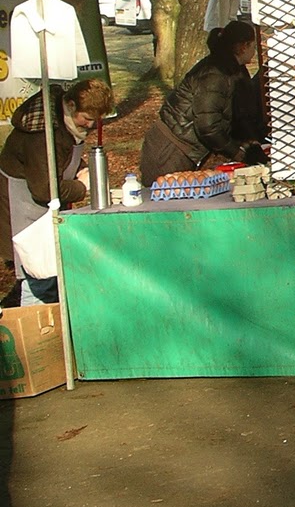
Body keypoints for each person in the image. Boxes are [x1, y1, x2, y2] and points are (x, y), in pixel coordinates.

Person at [2, 78, 115, 305]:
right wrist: (81, 187)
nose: (91, 126)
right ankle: (36, 332)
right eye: (88, 119)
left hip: (39, 203)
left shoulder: (62, 122)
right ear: (71, 105)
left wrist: (81, 167)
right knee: (38, 276)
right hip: (23, 204)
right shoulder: (41, 136)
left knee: (51, 273)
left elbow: (59, 158)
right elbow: (44, 189)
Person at [140, 21, 264, 185]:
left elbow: (237, 113)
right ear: (243, 46)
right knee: (167, 198)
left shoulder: (234, 70)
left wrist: (249, 140)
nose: (254, 51)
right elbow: (207, 125)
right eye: (253, 45)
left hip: (183, 147)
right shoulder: (214, 74)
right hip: (170, 149)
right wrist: (237, 153)